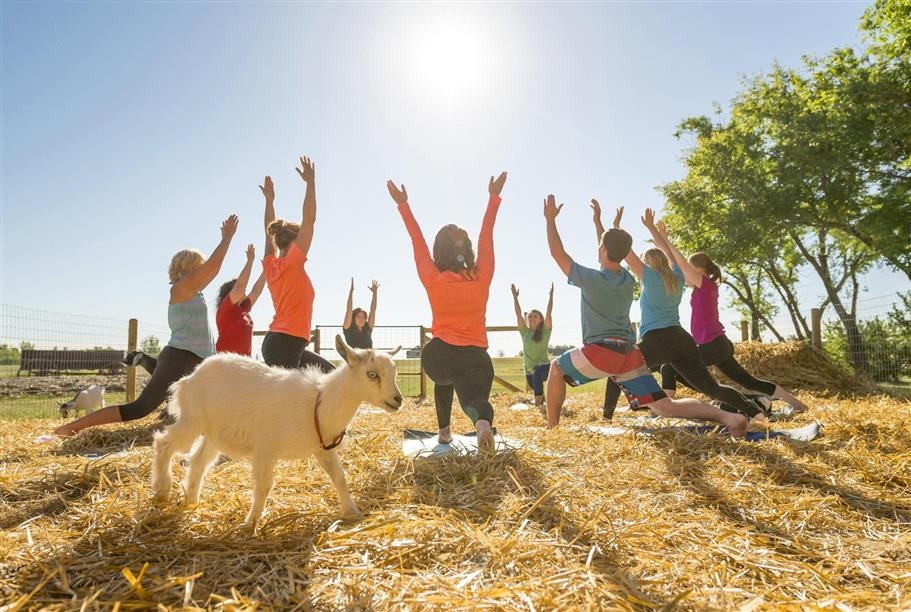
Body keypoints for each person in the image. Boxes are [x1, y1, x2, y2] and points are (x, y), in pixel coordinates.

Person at [542, 194, 747, 438]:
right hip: (629, 356)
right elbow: (613, 251)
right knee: (665, 407)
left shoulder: (591, 279)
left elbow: (557, 252)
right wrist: (601, 224)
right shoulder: (627, 280)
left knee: (555, 368)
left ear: (603, 249)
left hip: (601, 352)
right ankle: (730, 418)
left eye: (600, 245)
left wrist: (550, 220)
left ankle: (552, 429)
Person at [53, 215, 239, 437]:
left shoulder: (195, 291)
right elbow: (213, 265)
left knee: (217, 399)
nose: (204, 272)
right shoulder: (180, 288)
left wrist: (226, 240)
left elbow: (213, 269)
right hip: (180, 357)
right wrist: (227, 238)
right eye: (199, 267)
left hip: (198, 357)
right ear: (188, 268)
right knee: (139, 408)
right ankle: (69, 428)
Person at [595, 203, 765, 422]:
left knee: (619, 367)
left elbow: (618, 250)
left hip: (658, 339)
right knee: (712, 388)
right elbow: (666, 248)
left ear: (648, 263)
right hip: (681, 339)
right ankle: (756, 413)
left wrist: (614, 225)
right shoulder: (677, 276)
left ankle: (606, 418)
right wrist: (651, 228)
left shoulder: (649, 277)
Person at [387, 171, 508, 449]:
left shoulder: (433, 277)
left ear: (438, 251)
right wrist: (493, 198)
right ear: (465, 248)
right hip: (477, 357)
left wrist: (403, 205)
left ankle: (443, 432)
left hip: (440, 356)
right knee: (474, 401)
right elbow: (486, 235)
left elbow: (416, 241)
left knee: (445, 379)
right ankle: (481, 425)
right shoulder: (482, 276)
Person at [653, 227, 809, 413]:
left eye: (690, 267)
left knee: (669, 367)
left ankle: (664, 410)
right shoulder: (702, 288)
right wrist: (662, 242)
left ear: (700, 269)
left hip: (712, 345)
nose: (686, 271)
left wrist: (666, 242)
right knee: (748, 381)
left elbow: (679, 262)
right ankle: (795, 404)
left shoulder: (705, 285)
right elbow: (674, 264)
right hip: (718, 344)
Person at [259, 158, 334, 372]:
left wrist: (270, 201)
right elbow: (309, 219)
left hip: (283, 342)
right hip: (286, 343)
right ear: (294, 240)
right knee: (286, 404)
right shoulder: (293, 261)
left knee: (329, 374)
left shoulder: (270, 264)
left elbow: (267, 233)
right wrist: (310, 183)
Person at [215, 243, 267, 356]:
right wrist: (250, 261)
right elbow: (240, 287)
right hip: (224, 363)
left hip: (242, 363)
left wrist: (266, 271)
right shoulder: (225, 308)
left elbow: (256, 291)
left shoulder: (244, 309)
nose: (244, 289)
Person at [510, 282, 553, 407]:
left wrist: (551, 296)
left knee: (537, 373)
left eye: (535, 316)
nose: (532, 318)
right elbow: (518, 314)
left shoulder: (545, 331)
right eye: (530, 317)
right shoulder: (525, 332)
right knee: (534, 383)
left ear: (541, 319)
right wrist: (515, 298)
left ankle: (538, 405)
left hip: (544, 367)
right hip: (529, 368)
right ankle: (542, 399)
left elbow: (549, 313)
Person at [343, 278, 379, 349]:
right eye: (358, 317)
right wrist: (351, 291)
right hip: (355, 359)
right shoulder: (348, 328)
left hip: (369, 358)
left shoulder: (367, 329)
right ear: (353, 318)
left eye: (364, 317)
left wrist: (374, 293)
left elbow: (373, 310)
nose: (361, 319)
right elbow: (349, 310)